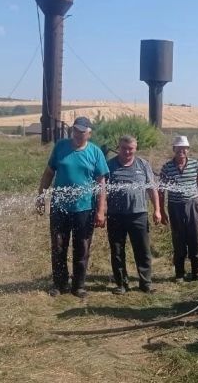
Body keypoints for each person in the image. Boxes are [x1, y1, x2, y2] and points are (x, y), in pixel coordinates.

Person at [36, 116, 109, 299]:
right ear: (72, 131)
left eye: (82, 131)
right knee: (58, 246)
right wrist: (41, 197)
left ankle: (79, 285)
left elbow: (101, 184)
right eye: (76, 130)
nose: (78, 134)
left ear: (89, 133)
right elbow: (48, 174)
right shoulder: (60, 147)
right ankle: (59, 284)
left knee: (82, 247)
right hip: (60, 207)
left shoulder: (95, 152)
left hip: (85, 208)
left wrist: (101, 210)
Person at [106, 135, 161, 294]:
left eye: (130, 148)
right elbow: (102, 190)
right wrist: (101, 210)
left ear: (135, 149)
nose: (127, 151)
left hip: (139, 215)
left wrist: (157, 210)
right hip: (116, 215)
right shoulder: (110, 165)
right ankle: (121, 284)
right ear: (119, 147)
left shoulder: (143, 165)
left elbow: (152, 189)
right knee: (117, 251)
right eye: (124, 148)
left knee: (143, 250)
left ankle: (145, 283)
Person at [159, 135, 198, 281]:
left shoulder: (195, 165)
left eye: (184, 149)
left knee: (195, 238)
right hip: (175, 207)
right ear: (174, 149)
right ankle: (179, 273)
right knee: (178, 238)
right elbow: (161, 191)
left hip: (193, 205)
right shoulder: (167, 167)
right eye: (178, 149)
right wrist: (161, 210)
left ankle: (196, 271)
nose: (181, 151)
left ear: (188, 150)